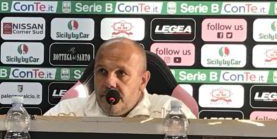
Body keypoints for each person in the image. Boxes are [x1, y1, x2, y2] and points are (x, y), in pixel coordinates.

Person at [44, 38, 196, 118]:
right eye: (102, 71)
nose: (110, 82)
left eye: (121, 73)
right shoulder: (65, 113)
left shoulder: (171, 113)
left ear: (143, 80)